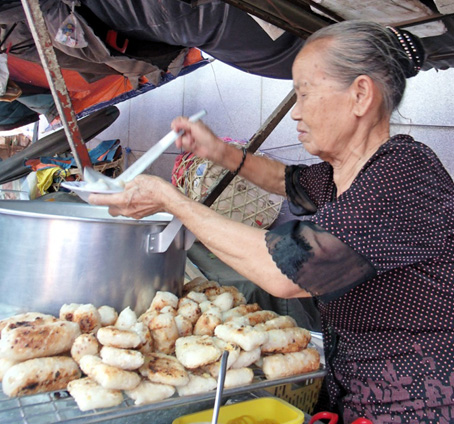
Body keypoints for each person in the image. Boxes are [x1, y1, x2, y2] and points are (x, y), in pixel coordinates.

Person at [89, 20, 454, 423]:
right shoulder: (342, 175)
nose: (295, 112)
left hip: (417, 404)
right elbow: (283, 179)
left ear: (360, 95)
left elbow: (285, 273)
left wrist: (171, 200)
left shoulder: (405, 176)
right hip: (354, 394)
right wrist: (219, 152)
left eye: (304, 93)